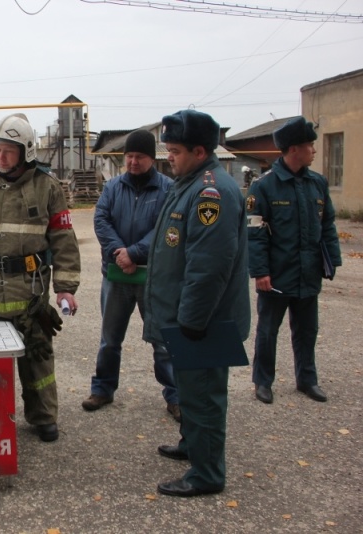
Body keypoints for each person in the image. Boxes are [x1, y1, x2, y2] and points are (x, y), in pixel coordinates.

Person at [0, 113, 81, 443]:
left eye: (8, 150)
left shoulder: (48, 187)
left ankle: (43, 416)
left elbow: (64, 239)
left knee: (37, 359)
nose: (0, 157)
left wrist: (66, 289)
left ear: (26, 152)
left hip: (31, 291)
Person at [143, 110, 250, 497]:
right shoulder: (187, 183)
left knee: (203, 396)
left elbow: (208, 267)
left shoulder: (211, 192)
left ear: (200, 151)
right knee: (191, 390)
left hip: (204, 322)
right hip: (189, 319)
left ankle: (206, 474)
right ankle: (193, 446)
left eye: (174, 150)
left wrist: (191, 321)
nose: (168, 156)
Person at [82, 130, 180, 421]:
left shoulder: (168, 189)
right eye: (130, 156)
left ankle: (175, 395)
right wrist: (119, 253)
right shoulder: (112, 187)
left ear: (152, 158)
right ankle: (103, 389)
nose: (133, 162)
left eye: (140, 156)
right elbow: (101, 220)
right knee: (109, 339)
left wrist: (134, 253)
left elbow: (167, 229)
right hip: (116, 276)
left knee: (163, 342)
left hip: (153, 278)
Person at [247, 116, 342, 404]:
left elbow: (328, 224)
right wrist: (260, 271)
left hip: (308, 272)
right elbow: (254, 233)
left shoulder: (317, 183)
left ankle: (307, 380)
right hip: (276, 275)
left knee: (307, 330)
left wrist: (331, 261)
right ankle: (263, 382)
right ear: (293, 150)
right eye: (310, 146)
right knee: (267, 332)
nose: (314, 151)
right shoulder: (264, 187)